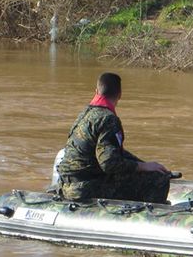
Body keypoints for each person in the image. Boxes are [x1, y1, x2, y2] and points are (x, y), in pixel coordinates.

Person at [57, 72, 171, 203]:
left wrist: (144, 164)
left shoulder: (85, 114)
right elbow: (109, 164)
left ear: (96, 91)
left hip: (66, 185)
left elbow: (112, 152)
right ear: (120, 95)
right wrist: (141, 167)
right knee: (158, 179)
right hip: (86, 188)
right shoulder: (108, 119)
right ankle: (148, 217)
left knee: (142, 172)